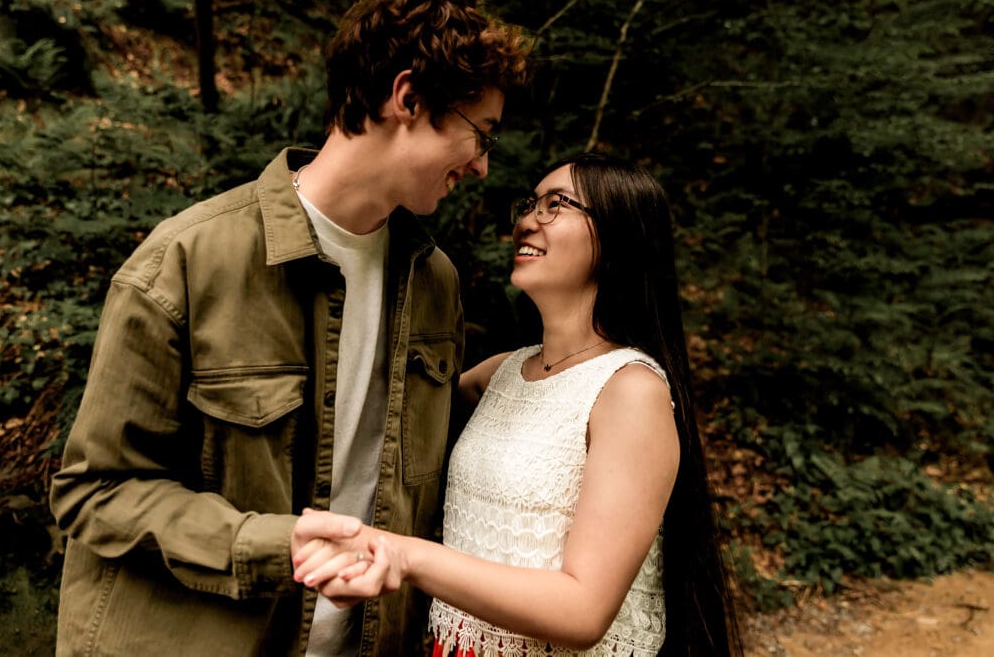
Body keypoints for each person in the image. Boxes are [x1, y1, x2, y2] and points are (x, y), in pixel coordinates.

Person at [48, 0, 530, 655]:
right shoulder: (187, 260)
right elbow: (95, 490)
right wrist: (270, 544)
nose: (482, 166)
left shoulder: (434, 283)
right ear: (408, 98)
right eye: (481, 134)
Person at [292, 152, 744, 656]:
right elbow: (378, 416)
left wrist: (405, 557)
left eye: (557, 205)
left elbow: (582, 610)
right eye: (530, 203)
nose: (529, 220)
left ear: (619, 238)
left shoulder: (630, 391)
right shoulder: (502, 372)